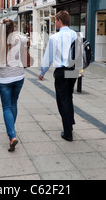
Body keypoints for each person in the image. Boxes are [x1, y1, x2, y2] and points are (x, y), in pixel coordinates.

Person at [39, 11, 78, 142]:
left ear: (60, 21)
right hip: (73, 70)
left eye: (55, 21)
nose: (55, 23)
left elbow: (48, 57)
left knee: (62, 101)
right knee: (69, 96)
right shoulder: (76, 35)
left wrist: (42, 72)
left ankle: (68, 133)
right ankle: (70, 124)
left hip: (61, 71)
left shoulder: (54, 38)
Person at [0, 18, 28, 152]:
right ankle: (11, 130)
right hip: (19, 75)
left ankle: (12, 135)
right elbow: (27, 40)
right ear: (13, 28)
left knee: (7, 107)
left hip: (5, 78)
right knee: (14, 103)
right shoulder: (20, 38)